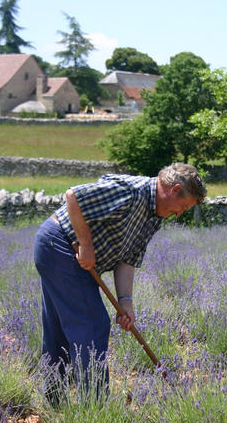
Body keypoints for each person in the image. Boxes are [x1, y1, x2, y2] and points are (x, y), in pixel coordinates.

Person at [33, 163, 206, 400]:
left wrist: (126, 302)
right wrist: (85, 245)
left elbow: (128, 257)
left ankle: (54, 400)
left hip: (66, 254)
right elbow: (74, 197)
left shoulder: (154, 215)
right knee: (93, 324)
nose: (180, 213)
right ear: (174, 189)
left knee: (58, 330)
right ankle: (94, 407)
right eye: (183, 206)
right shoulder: (131, 191)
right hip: (60, 245)